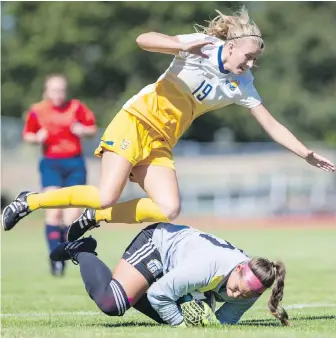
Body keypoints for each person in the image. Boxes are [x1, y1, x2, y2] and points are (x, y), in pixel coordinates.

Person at [2, 7, 334, 241]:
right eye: (248, 57)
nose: (251, 64)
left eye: (255, 60)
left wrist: (305, 153)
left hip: (161, 141)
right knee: (106, 194)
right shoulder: (200, 48)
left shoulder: (242, 84)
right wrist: (179, 44)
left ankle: (94, 219)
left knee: (169, 207)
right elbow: (143, 39)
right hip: (135, 122)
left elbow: (272, 125)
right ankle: (30, 201)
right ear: (231, 47)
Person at [49, 222, 290, 327]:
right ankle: (81, 251)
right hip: (158, 246)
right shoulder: (208, 267)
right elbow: (158, 294)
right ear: (239, 268)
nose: (235, 294)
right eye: (236, 288)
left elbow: (222, 323)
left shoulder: (253, 287)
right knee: (112, 303)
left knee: (188, 316)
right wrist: (182, 326)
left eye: (242, 295)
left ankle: (134, 285)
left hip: (180, 273)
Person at [20, 74, 97, 275]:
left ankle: (63, 249)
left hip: (75, 163)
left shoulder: (76, 107)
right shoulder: (37, 110)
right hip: (51, 163)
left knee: (71, 216)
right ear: (46, 91)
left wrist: (83, 130)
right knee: (53, 211)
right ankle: (55, 258)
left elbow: (92, 128)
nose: (58, 94)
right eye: (54, 90)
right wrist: (37, 137)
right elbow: (27, 135)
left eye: (61, 90)